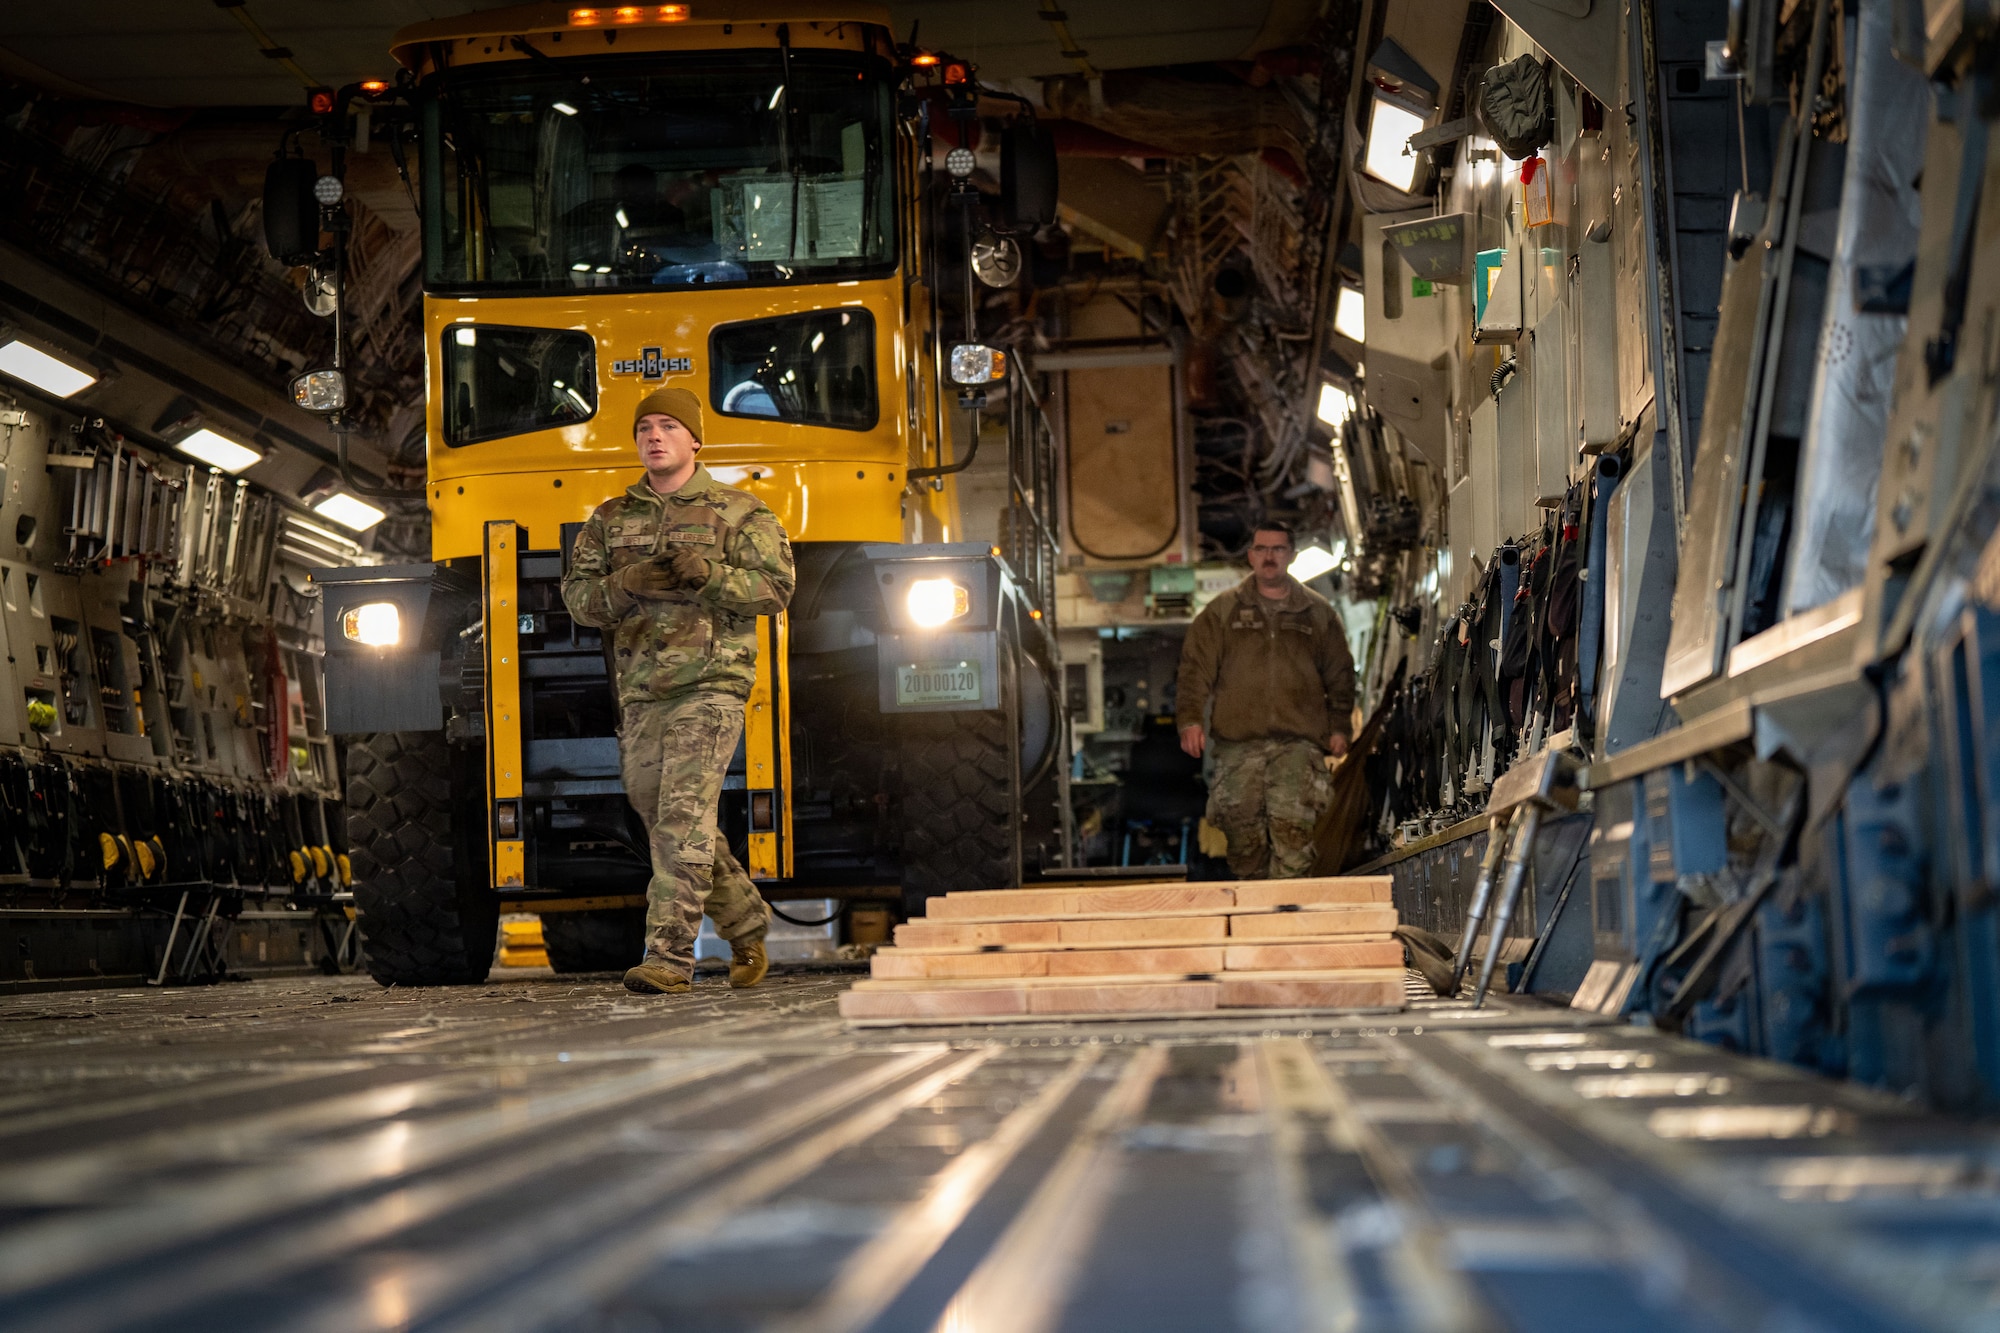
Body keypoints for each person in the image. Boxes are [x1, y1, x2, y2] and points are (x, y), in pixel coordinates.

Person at [561, 386, 796, 994]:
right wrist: (628, 583)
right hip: (642, 694)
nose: (655, 436)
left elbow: (776, 590)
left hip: (711, 687)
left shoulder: (741, 513)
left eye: (668, 426)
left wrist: (710, 576)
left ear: (695, 440)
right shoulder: (610, 520)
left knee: (680, 820)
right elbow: (580, 602)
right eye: (645, 428)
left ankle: (669, 957)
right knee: (661, 813)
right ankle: (747, 923)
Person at [1174, 524, 1357, 879]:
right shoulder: (1222, 612)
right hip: (1237, 746)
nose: (1269, 556)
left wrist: (1339, 726)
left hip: (1298, 744)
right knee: (1242, 838)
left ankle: (1288, 914)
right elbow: (1195, 668)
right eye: (1261, 548)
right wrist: (1190, 719)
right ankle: (1257, 908)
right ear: (1251, 556)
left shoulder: (1318, 614)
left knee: (1293, 831)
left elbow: (1340, 676)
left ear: (1290, 555)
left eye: (1277, 549)